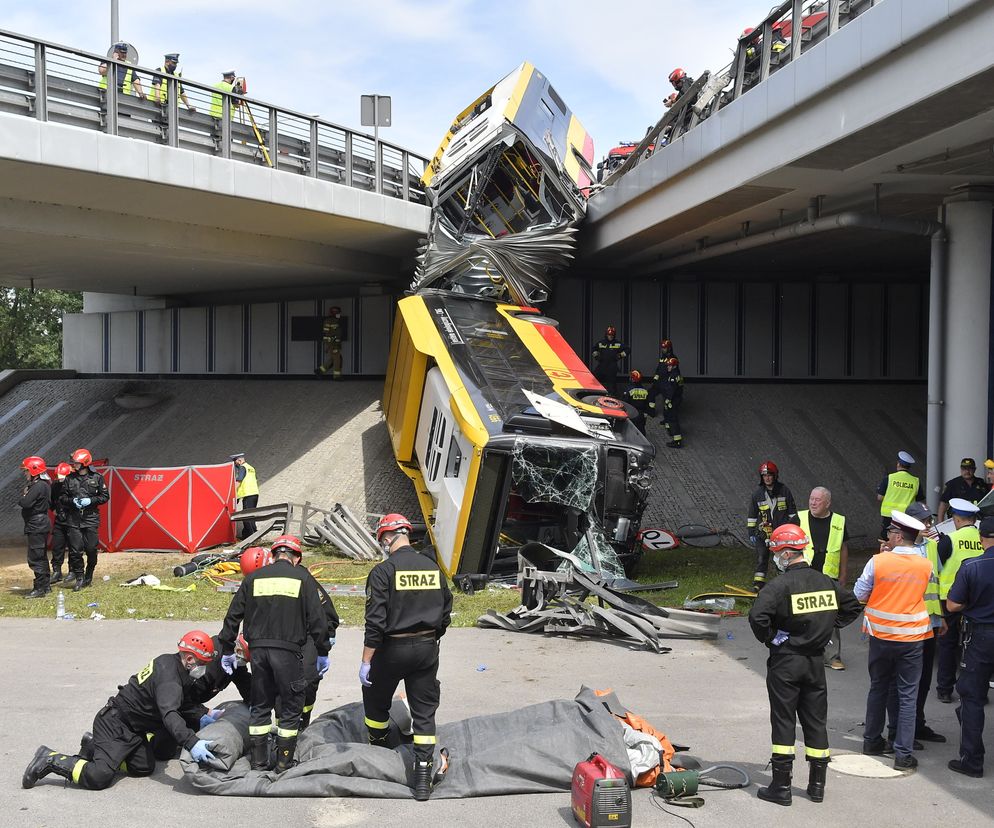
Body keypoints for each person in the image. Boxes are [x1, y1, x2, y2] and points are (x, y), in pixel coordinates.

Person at [748, 524, 862, 806]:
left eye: (776, 553)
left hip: (786, 661)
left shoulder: (778, 587)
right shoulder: (825, 582)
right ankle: (817, 786)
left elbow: (757, 617)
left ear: (786, 554)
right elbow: (853, 606)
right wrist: (825, 627)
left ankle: (781, 787)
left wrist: (773, 638)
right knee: (815, 722)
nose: (776, 558)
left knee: (784, 721)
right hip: (814, 662)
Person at [22, 631, 218, 790]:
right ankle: (50, 759)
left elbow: (182, 704)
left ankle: (95, 746)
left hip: (133, 729)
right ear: (190, 658)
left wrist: (204, 714)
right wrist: (193, 743)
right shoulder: (170, 679)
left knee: (144, 767)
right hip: (114, 723)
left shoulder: (172, 664)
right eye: (203, 664)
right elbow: (170, 714)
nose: (204, 669)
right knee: (99, 776)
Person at [218, 535, 329, 773]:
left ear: (274, 554)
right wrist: (322, 651)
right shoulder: (303, 578)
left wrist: (227, 648)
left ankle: (258, 763)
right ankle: (283, 762)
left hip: (258, 652)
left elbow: (233, 616)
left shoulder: (254, 578)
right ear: (296, 557)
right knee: (290, 706)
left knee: (261, 704)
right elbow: (318, 620)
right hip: (288, 651)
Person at [361, 514, 452, 801]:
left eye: (382, 541)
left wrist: (366, 660)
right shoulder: (432, 568)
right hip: (426, 647)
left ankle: (380, 750)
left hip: (391, 649)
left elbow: (374, 622)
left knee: (375, 699)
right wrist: (432, 637)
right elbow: (446, 610)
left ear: (388, 538)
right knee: (424, 712)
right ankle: (423, 776)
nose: (384, 545)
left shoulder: (383, 571)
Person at [856, 510, 938, 772]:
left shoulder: (878, 562)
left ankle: (871, 741)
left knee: (878, 687)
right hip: (912, 639)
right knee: (907, 695)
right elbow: (923, 591)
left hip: (880, 636)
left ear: (900, 535)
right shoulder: (926, 565)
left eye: (891, 532)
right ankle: (903, 754)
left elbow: (859, 593)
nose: (888, 535)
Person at [883, 501, 947, 747]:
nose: (929, 525)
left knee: (922, 680)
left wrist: (940, 618)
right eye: (924, 521)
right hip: (906, 625)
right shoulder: (895, 550)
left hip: (929, 623)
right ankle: (897, 730)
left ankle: (916, 725)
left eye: (930, 520)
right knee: (901, 681)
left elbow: (937, 583)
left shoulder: (932, 547)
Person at [945, 515, 994, 777]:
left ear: (980, 538)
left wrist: (973, 605)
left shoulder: (972, 565)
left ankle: (972, 761)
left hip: (981, 636)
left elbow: (952, 605)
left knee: (972, 697)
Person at [935, 498, 983, 703]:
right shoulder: (984, 539)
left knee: (947, 643)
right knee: (977, 646)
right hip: (977, 600)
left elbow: (935, 568)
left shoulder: (949, 540)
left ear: (955, 518)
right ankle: (976, 689)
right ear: (973, 520)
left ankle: (945, 689)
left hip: (951, 600)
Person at [797, 487, 849, 670]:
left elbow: (842, 548)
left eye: (818, 500)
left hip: (829, 577)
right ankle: (802, 652)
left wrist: (843, 573)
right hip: (803, 575)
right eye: (811, 498)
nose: (813, 502)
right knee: (802, 613)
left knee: (829, 617)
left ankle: (832, 656)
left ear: (828, 503)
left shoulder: (839, 521)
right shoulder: (799, 518)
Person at [61, 448, 109, 591]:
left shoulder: (97, 478)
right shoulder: (70, 479)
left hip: (90, 518)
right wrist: (72, 501)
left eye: (76, 463)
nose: (74, 465)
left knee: (91, 549)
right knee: (75, 551)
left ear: (84, 463)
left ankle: (89, 573)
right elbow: (62, 497)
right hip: (73, 519)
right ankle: (80, 578)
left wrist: (91, 500)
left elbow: (105, 496)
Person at [747, 461, 799, 591]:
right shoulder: (757, 495)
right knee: (761, 557)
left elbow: (793, 514)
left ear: (775, 476)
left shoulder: (784, 491)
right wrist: (751, 532)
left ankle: (784, 584)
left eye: (770, 475)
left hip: (781, 534)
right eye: (764, 476)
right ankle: (758, 584)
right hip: (764, 533)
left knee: (782, 560)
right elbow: (752, 516)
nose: (767, 478)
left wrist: (792, 530)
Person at [19, 456, 52, 598]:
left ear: (34, 470)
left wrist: (24, 495)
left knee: (35, 557)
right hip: (39, 524)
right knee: (41, 555)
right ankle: (46, 585)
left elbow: (25, 503)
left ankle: (39, 588)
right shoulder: (43, 484)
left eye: (26, 471)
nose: (25, 473)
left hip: (36, 525)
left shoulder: (38, 486)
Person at [876, 451, 922, 540]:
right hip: (907, 516)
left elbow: (880, 497)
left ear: (898, 464)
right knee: (905, 538)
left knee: (888, 538)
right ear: (909, 467)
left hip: (889, 515)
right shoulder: (915, 481)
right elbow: (919, 500)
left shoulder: (889, 478)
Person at [49, 462, 73, 585]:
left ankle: (72, 571)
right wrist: (53, 509)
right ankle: (56, 571)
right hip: (59, 520)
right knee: (57, 546)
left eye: (62, 479)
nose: (60, 481)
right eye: (58, 479)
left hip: (72, 520)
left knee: (73, 547)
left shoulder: (75, 485)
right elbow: (51, 500)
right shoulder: (55, 486)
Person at [591, 326, 628, 395]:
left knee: (611, 384)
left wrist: (620, 355)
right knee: (594, 380)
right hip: (602, 365)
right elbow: (593, 349)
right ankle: (592, 394)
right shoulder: (601, 343)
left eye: (612, 335)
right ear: (606, 334)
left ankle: (612, 396)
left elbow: (628, 350)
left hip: (612, 366)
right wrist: (596, 356)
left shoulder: (618, 344)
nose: (610, 336)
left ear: (614, 335)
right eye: (609, 335)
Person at [230, 452, 259, 540]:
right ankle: (247, 535)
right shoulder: (251, 468)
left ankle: (251, 537)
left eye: (235, 463)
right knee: (251, 515)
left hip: (247, 494)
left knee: (246, 516)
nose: (236, 465)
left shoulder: (243, 468)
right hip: (254, 494)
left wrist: (231, 492)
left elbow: (239, 481)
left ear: (239, 460)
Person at [658, 356, 684, 449]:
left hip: (673, 400)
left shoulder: (673, 377)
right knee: (670, 416)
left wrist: (668, 400)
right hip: (677, 399)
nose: (668, 367)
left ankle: (677, 440)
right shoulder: (677, 375)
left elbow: (671, 390)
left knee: (673, 418)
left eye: (669, 366)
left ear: (674, 366)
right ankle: (671, 431)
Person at [316, 306, 346, 380]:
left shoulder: (337, 321)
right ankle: (337, 376)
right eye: (336, 312)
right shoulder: (328, 321)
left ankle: (319, 371)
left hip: (336, 344)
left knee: (334, 359)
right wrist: (329, 345)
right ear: (332, 313)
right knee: (337, 359)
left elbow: (338, 333)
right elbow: (326, 333)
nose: (338, 313)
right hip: (332, 344)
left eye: (338, 312)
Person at [619, 370, 653, 435]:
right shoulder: (644, 390)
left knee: (629, 430)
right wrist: (646, 413)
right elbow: (647, 403)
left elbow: (624, 402)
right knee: (641, 430)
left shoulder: (629, 390)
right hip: (641, 414)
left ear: (632, 379)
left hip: (631, 413)